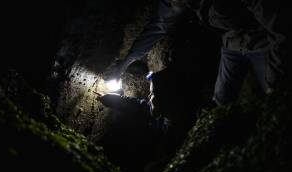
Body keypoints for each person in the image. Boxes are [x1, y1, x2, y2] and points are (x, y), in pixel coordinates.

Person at [103, 0, 291, 106]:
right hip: (231, 44)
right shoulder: (178, 2)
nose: (172, 4)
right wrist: (125, 63)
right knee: (221, 101)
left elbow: (282, 30)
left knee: (274, 98)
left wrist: (276, 78)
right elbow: (158, 27)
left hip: (264, 44)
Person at [96, 68, 192, 172]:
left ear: (167, 98)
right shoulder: (166, 114)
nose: (148, 96)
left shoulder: (179, 135)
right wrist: (110, 98)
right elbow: (138, 106)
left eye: (152, 94)